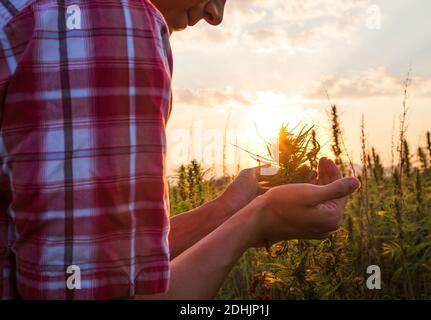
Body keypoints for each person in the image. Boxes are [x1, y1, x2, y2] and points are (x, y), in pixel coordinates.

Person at [0, 0, 360, 300]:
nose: (215, 15)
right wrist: (261, 217)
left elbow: (98, 260)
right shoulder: (108, 22)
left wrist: (229, 210)